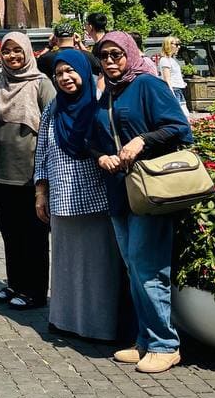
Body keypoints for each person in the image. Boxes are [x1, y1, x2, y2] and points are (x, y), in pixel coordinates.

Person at [91, 31, 192, 375]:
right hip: (120, 193)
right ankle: (146, 340)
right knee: (134, 268)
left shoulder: (148, 85)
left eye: (116, 54)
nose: (109, 61)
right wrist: (101, 155)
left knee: (148, 268)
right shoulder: (108, 92)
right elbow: (95, 137)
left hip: (151, 192)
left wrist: (142, 141)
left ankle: (166, 345)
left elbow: (179, 127)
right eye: (104, 56)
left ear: (130, 54)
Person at [35, 51, 122, 342]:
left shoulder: (100, 105)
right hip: (62, 199)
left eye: (70, 71)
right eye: (59, 73)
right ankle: (65, 321)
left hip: (97, 200)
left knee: (98, 267)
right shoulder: (53, 109)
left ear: (84, 71)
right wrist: (40, 191)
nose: (65, 78)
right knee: (66, 265)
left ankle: (99, 328)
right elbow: (42, 152)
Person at [0, 33, 55, 309]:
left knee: (34, 236)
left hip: (32, 174)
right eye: (7, 51)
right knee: (10, 233)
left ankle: (35, 291)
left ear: (28, 51)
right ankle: (15, 283)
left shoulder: (41, 84)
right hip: (4, 172)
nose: (13, 56)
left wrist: (45, 179)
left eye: (18, 50)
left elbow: (52, 128)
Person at [158, 37, 188, 110]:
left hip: (178, 89)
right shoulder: (165, 60)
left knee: (183, 113)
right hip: (174, 90)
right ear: (169, 45)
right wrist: (171, 94)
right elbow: (167, 80)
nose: (179, 47)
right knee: (178, 113)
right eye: (176, 44)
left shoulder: (171, 59)